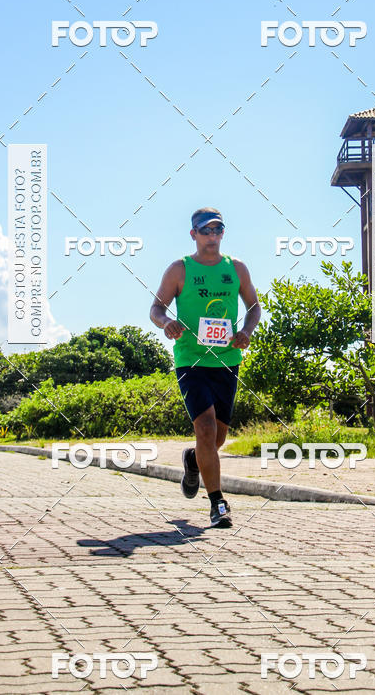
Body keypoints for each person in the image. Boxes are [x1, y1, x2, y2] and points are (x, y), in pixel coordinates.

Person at [150, 208, 261, 528]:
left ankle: (192, 460)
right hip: (191, 360)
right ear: (193, 235)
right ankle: (218, 504)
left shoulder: (236, 269)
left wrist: (247, 332)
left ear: (223, 233)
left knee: (218, 437)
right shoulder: (179, 269)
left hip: (227, 361)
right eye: (206, 231)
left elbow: (253, 307)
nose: (212, 236)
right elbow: (156, 307)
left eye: (218, 230)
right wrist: (167, 321)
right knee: (207, 429)